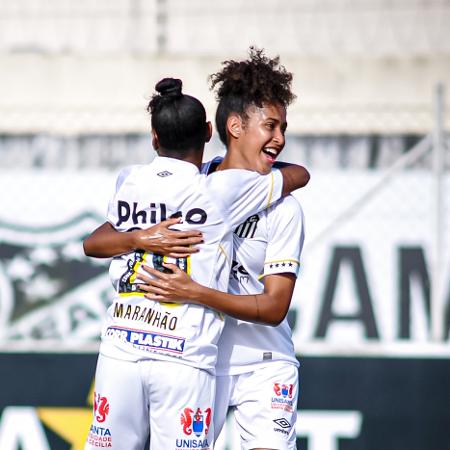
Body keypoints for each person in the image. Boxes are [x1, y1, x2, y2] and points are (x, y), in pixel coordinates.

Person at [83, 76, 309, 450]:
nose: (280, 137)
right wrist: (139, 237)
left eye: (283, 128)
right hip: (201, 354)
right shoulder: (196, 183)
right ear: (230, 127)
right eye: (271, 126)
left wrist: (196, 293)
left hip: (264, 360)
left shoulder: (284, 208)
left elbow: (274, 307)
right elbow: (97, 240)